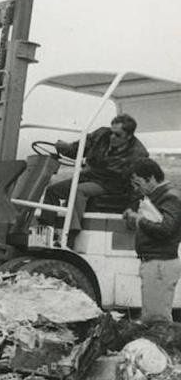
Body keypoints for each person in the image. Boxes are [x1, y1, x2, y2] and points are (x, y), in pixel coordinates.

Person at [43, 114, 148, 246]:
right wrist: (65, 148)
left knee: (79, 191)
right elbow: (78, 149)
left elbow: (138, 184)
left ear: (129, 136)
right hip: (89, 175)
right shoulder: (101, 135)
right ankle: (46, 231)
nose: (112, 137)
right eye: (111, 132)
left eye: (117, 135)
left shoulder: (138, 154)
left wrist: (132, 209)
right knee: (52, 191)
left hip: (111, 184)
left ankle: (70, 236)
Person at [123, 158, 181, 323]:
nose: (136, 189)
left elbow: (166, 229)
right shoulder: (160, 196)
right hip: (156, 263)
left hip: (160, 265)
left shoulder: (170, 198)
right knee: (153, 318)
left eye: (138, 183)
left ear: (151, 178)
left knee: (156, 320)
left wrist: (139, 220)